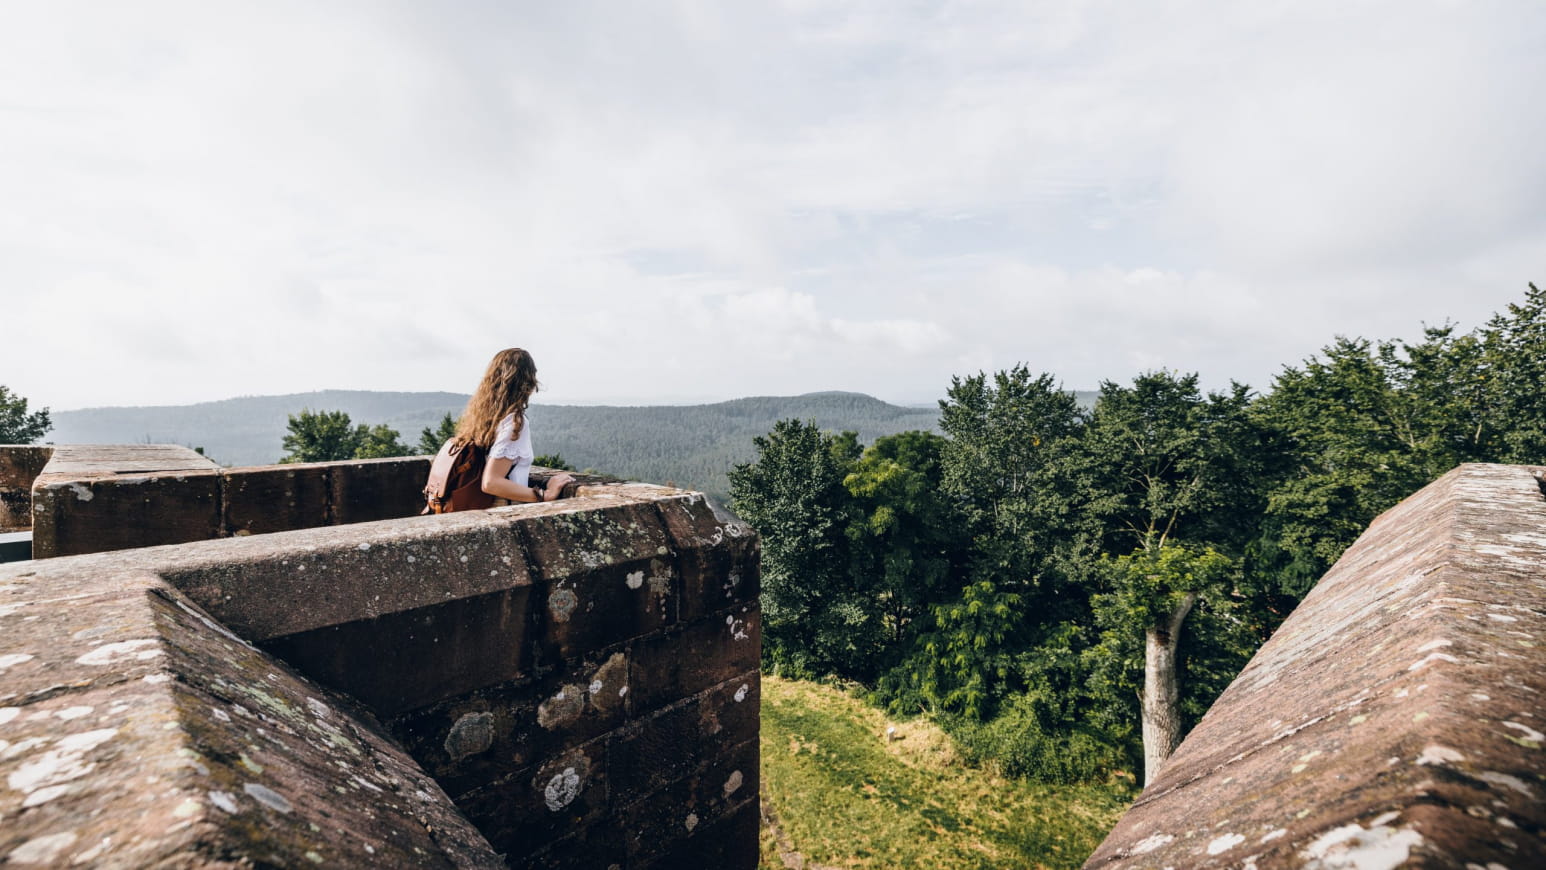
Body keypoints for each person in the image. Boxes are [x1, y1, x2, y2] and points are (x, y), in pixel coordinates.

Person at [456, 347, 576, 505]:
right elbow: (491, 482)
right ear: (527, 382)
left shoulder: (483, 417)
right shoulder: (515, 423)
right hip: (504, 510)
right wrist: (544, 494)